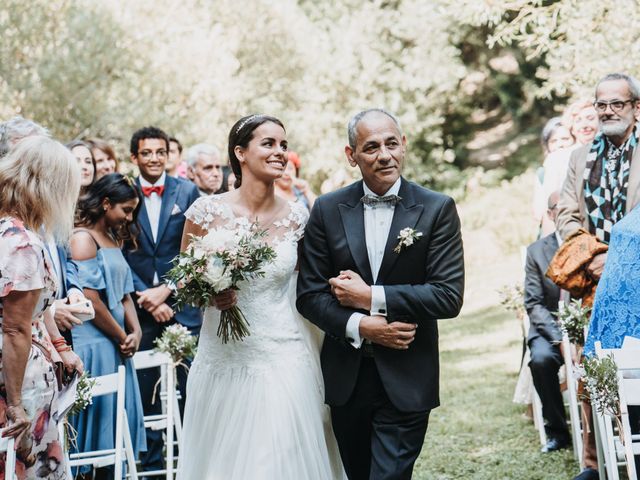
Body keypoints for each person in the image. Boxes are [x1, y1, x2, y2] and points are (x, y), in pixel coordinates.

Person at [297, 109, 465, 479]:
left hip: (408, 374)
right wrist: (362, 326)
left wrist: (370, 297)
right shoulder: (327, 209)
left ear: (404, 145)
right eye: (371, 147)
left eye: (391, 143)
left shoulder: (437, 208)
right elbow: (309, 295)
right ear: (351, 154)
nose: (384, 155)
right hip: (347, 379)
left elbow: (447, 296)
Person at [177, 114, 345, 479]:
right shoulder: (206, 212)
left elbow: (310, 286)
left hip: (283, 353)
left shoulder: (299, 218)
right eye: (268, 143)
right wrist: (211, 294)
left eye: (283, 145)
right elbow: (185, 284)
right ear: (240, 153)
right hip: (224, 357)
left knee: (277, 458)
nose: (280, 152)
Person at [556, 72, 640, 480]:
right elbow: (566, 215)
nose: (607, 111)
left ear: (636, 109)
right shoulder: (579, 157)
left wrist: (624, 258)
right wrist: (594, 255)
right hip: (594, 281)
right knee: (596, 370)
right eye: (601, 104)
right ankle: (597, 460)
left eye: (617, 104)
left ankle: (635, 451)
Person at [0, 135, 84, 478]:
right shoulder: (22, 244)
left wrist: (61, 346)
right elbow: (15, 327)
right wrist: (17, 406)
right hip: (15, 377)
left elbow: (34, 310)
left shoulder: (7, 229)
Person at [123, 126, 201, 472]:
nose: (154, 158)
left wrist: (167, 290)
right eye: (146, 153)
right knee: (147, 391)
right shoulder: (123, 193)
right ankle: (152, 464)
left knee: (191, 388)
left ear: (168, 155)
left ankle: (192, 462)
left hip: (183, 305)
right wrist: (148, 298)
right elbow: (119, 251)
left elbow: (198, 249)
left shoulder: (188, 191)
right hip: (138, 310)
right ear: (134, 157)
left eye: (160, 152)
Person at [69, 173, 147, 475]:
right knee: (98, 423)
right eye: (125, 210)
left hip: (118, 344)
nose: (129, 217)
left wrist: (136, 331)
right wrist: (120, 336)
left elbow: (125, 294)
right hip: (95, 342)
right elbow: (91, 300)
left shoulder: (113, 238)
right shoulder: (82, 239)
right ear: (105, 203)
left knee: (118, 419)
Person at [524, 191, 571, 453]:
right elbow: (533, 303)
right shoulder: (536, 252)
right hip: (549, 327)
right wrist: (559, 336)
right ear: (550, 214)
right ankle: (557, 430)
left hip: (587, 326)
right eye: (558, 208)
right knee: (541, 359)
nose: (565, 213)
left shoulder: (592, 243)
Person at [534, 117, 576, 235]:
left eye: (565, 139)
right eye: (554, 141)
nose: (560, 145)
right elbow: (538, 213)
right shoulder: (542, 172)